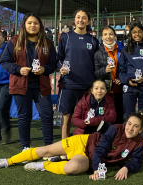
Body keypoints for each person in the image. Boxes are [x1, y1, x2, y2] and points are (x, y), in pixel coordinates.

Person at [0, 112, 143, 180]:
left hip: (89, 159)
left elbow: (137, 162)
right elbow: (99, 149)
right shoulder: (115, 128)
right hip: (84, 143)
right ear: (126, 123)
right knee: (45, 149)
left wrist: (127, 168)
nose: (130, 128)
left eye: (135, 126)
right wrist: (98, 168)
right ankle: (7, 161)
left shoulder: (138, 143)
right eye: (129, 124)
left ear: (141, 129)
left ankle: (45, 164)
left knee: (71, 168)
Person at [0, 13, 57, 150]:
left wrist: (44, 69)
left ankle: (48, 148)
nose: (33, 25)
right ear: (24, 25)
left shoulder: (48, 43)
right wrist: (18, 69)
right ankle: (26, 147)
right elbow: (4, 61)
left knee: (47, 115)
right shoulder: (15, 41)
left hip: (41, 86)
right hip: (20, 85)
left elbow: (53, 64)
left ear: (40, 26)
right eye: (29, 23)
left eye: (35, 23)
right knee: (25, 117)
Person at [57, 9, 99, 141]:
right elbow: (58, 59)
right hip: (68, 83)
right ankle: (64, 146)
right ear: (74, 19)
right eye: (78, 17)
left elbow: (96, 63)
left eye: (84, 17)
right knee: (66, 115)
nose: (81, 20)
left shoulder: (93, 40)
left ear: (89, 21)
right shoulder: (65, 37)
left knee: (88, 116)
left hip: (87, 85)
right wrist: (61, 68)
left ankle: (85, 144)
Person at [118, 23, 143, 139]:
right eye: (134, 32)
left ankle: (142, 140)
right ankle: (127, 141)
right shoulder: (125, 50)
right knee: (128, 116)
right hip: (129, 88)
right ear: (131, 34)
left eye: (139, 31)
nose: (137, 34)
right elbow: (121, 70)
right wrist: (127, 80)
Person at [94, 26, 124, 124]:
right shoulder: (98, 53)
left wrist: (121, 78)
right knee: (107, 118)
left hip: (120, 89)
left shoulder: (122, 50)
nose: (108, 37)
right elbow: (95, 73)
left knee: (120, 116)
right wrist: (104, 70)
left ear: (115, 36)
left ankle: (120, 138)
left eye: (111, 34)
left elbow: (127, 68)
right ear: (102, 37)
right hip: (106, 90)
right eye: (105, 34)